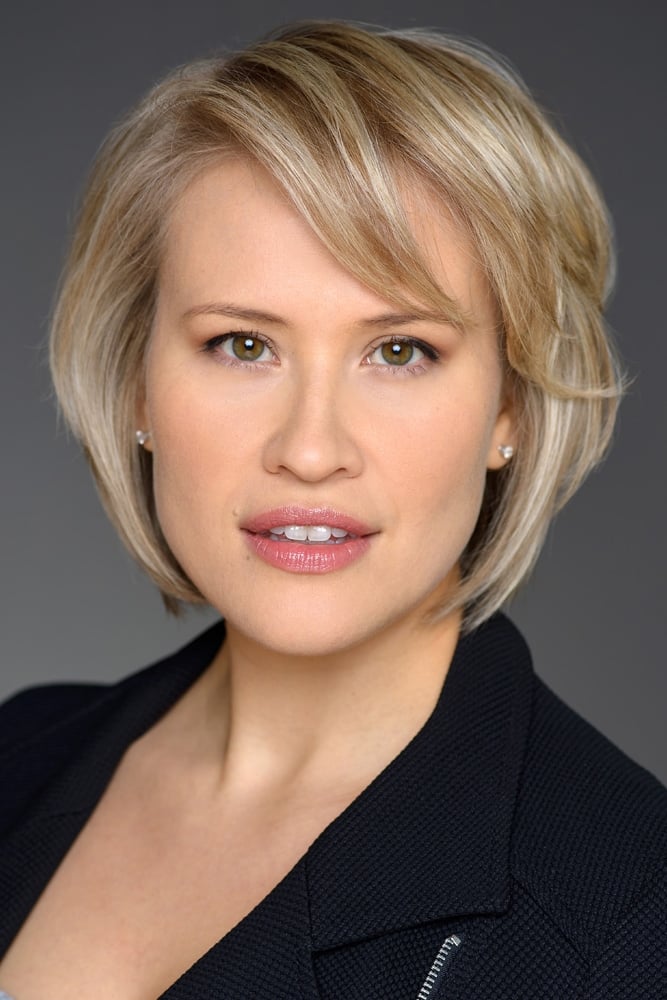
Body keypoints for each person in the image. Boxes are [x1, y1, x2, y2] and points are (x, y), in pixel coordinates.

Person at [0, 19, 665, 1000]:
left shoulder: (627, 921)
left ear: (511, 409)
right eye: (242, 345)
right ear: (137, 384)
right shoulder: (20, 757)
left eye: (399, 351)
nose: (310, 450)